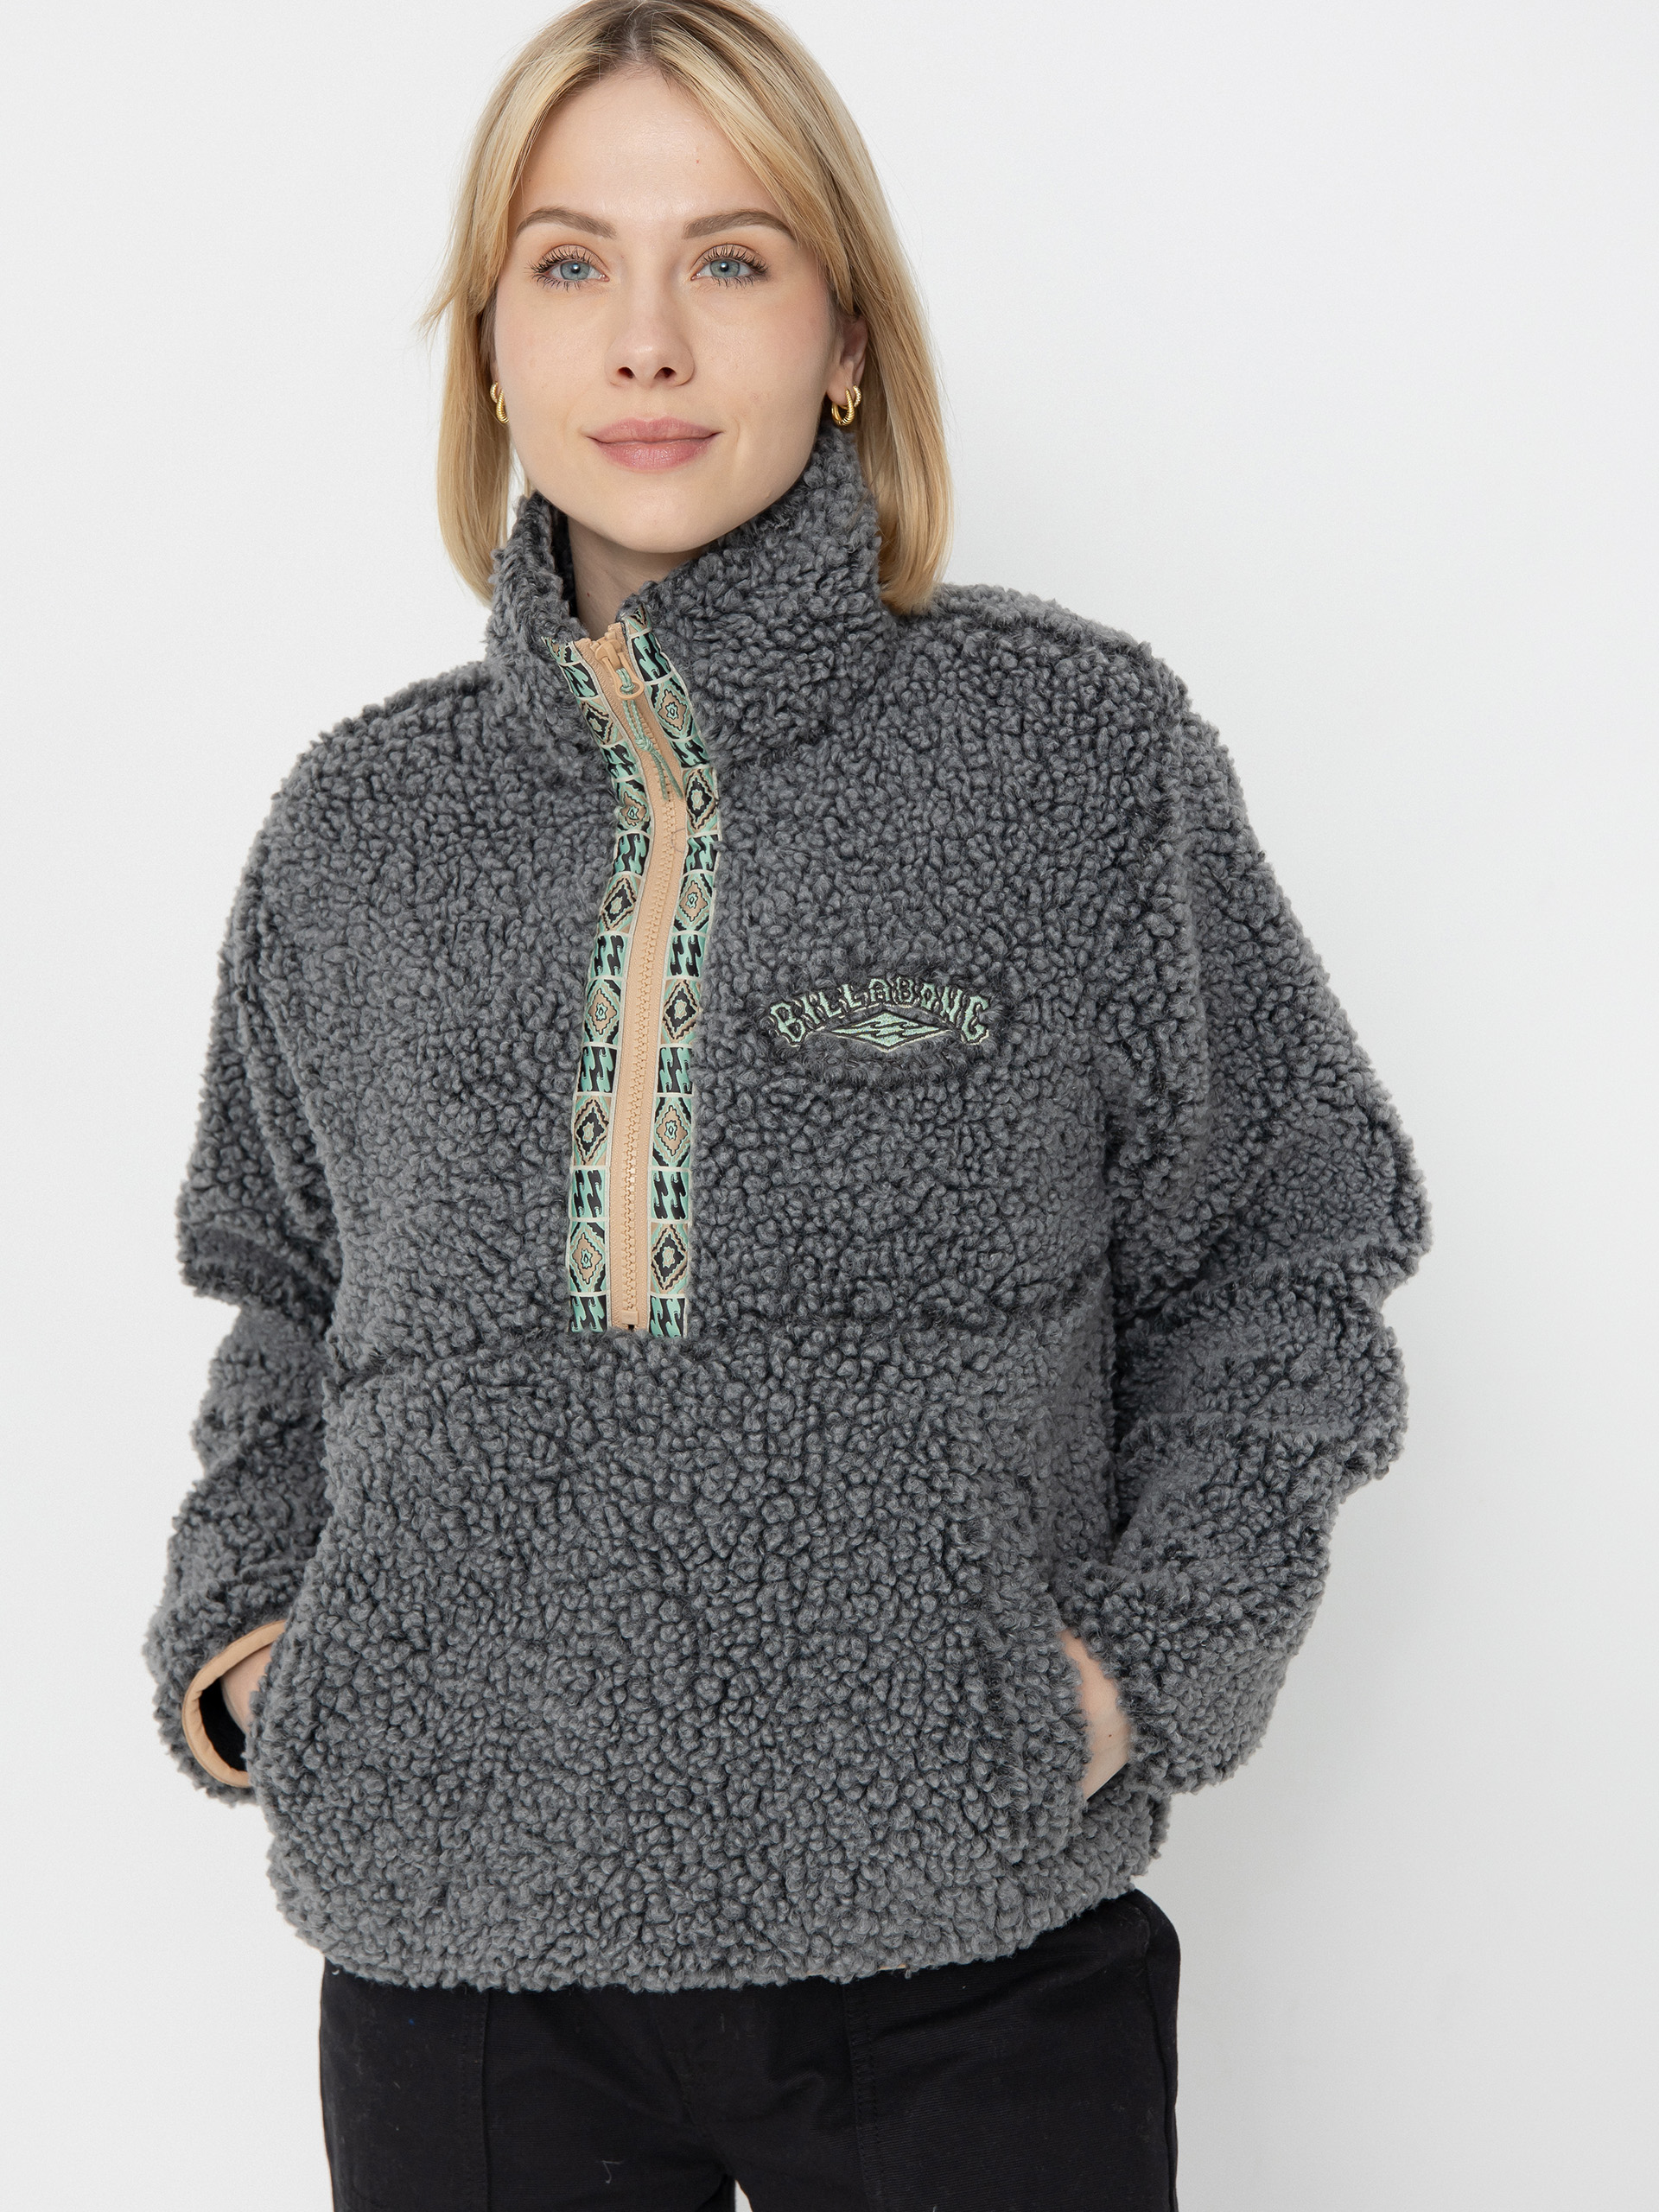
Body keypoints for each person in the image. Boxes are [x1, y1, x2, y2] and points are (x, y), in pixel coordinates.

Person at [143, 4, 1429, 2205]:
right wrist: (259, 1659)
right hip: (464, 1969)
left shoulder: (1066, 757)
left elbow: (1293, 1247)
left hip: (967, 1950)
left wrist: (1131, 1676)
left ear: (845, 337)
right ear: (491, 348)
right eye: (569, 263)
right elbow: (282, 1296)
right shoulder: (362, 831)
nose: (645, 339)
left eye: (729, 260)